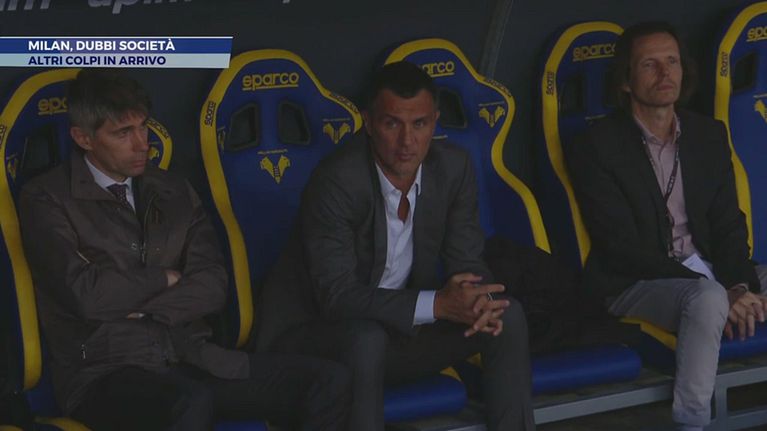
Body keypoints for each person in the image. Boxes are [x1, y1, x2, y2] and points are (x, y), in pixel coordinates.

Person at [18, 69, 350, 431]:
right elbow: (87, 294)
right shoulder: (47, 198)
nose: (141, 143)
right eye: (123, 133)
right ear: (83, 138)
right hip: (105, 371)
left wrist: (148, 311)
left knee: (326, 381)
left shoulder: (172, 188)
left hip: (190, 356)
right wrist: (165, 278)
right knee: (190, 401)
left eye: (143, 127)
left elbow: (213, 282)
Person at [257, 61, 535, 431]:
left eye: (419, 124)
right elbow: (337, 297)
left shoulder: (453, 168)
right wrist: (438, 304)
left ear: (434, 123)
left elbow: (467, 260)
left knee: (504, 314)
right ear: (369, 123)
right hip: (316, 338)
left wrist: (476, 297)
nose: (407, 141)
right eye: (392, 124)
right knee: (366, 339)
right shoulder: (338, 181)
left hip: (396, 335)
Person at [565, 22, 767, 431]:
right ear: (625, 81)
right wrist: (722, 291)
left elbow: (728, 224)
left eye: (672, 62)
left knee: (719, 291)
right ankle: (692, 423)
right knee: (708, 298)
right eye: (649, 64)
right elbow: (620, 246)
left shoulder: (707, 134)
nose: (665, 73)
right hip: (635, 282)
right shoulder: (597, 144)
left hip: (710, 271)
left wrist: (741, 286)